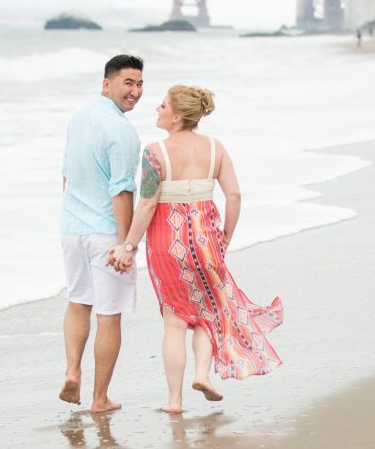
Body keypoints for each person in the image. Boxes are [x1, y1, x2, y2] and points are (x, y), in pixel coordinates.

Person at [108, 85, 283, 414]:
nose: (156, 110)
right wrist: (226, 237)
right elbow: (234, 196)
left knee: (174, 322)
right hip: (206, 240)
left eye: (162, 106)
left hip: (166, 243)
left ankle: (174, 401)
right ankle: (203, 375)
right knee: (207, 313)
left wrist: (128, 246)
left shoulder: (155, 152)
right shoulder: (216, 149)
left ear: (176, 116)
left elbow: (146, 205)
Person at [58, 54, 143, 412]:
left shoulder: (79, 118)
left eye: (140, 84)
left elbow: (66, 175)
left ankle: (73, 372)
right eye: (128, 83)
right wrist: (127, 242)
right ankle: (99, 398)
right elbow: (122, 191)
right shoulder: (122, 131)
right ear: (106, 84)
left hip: (71, 228)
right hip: (106, 234)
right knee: (110, 314)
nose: (135, 92)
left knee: (78, 302)